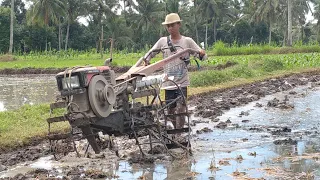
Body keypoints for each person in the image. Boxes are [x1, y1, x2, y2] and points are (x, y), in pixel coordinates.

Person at [143, 13, 206, 129]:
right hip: (168, 82)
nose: (170, 28)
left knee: (181, 108)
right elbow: (151, 53)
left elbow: (201, 55)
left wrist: (201, 53)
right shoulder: (163, 41)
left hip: (182, 82)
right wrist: (146, 60)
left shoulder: (187, 41)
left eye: (172, 25)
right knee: (170, 109)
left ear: (179, 25)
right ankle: (173, 132)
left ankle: (180, 131)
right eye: (168, 26)